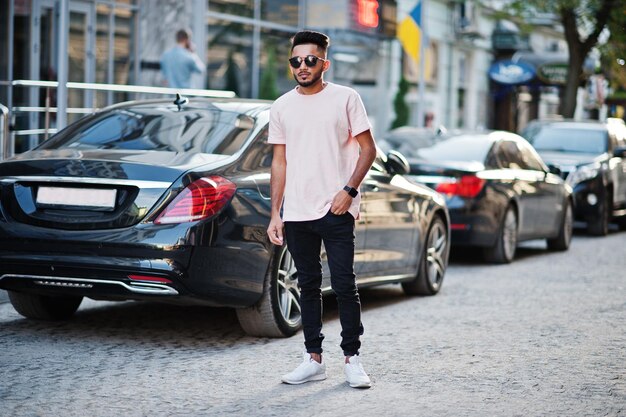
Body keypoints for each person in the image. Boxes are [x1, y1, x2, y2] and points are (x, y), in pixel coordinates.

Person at [266, 30, 377, 389]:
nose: (302, 66)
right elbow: (279, 162)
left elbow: (368, 150)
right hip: (297, 212)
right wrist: (275, 213)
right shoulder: (281, 106)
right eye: (296, 60)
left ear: (324, 63)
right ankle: (313, 359)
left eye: (310, 60)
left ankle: (352, 359)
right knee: (308, 285)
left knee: (345, 284)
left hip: (336, 208)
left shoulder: (346, 98)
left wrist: (348, 191)